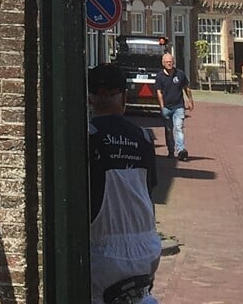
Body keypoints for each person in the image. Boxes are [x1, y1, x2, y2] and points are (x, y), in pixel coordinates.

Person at [88, 62, 162, 304]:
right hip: (147, 249)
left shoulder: (88, 135)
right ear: (124, 98)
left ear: (90, 99)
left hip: (103, 252)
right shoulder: (144, 138)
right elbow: (149, 189)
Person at [153, 51, 195, 161]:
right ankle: (170, 150)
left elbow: (187, 88)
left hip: (178, 106)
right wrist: (162, 107)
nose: (169, 64)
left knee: (178, 128)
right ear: (163, 63)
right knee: (168, 130)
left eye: (171, 62)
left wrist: (190, 101)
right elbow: (159, 92)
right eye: (167, 62)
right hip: (166, 107)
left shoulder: (180, 74)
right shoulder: (160, 76)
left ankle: (181, 150)